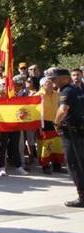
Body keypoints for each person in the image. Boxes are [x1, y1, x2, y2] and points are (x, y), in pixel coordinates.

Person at [48, 68, 84, 207]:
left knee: (75, 164)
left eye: (54, 79)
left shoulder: (67, 91)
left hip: (72, 133)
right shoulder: (78, 90)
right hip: (79, 130)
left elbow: (63, 110)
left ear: (64, 78)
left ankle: (82, 197)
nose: (53, 82)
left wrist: (56, 123)